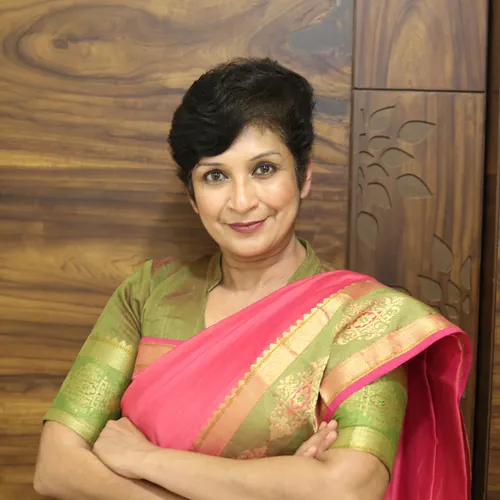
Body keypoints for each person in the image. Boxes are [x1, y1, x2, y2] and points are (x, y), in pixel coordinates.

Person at [34, 58, 471, 500]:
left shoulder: (365, 319)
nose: (241, 201)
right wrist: (279, 485)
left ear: (303, 176)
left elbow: (348, 490)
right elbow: (54, 468)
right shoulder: (148, 294)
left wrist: (146, 460)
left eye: (263, 169)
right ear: (192, 196)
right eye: (215, 176)